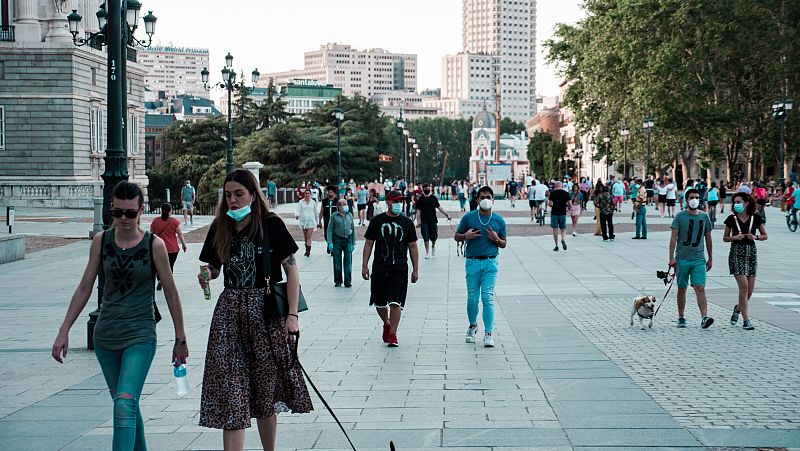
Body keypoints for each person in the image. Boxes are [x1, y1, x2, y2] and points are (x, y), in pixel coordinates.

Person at [52, 181, 189, 451]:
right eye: (118, 213)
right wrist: (64, 329)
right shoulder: (101, 242)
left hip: (140, 334)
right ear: (111, 210)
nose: (124, 219)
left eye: (130, 213)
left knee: (124, 402)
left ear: (140, 211)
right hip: (106, 337)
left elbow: (171, 293)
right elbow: (84, 286)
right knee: (125, 404)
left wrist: (180, 338)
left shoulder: (155, 245)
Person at [197, 169, 312, 450]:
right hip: (229, 312)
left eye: (239, 194)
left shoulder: (270, 224)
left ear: (252, 194)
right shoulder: (220, 226)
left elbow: (291, 269)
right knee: (231, 391)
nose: (233, 201)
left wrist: (292, 316)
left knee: (265, 390)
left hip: (265, 309)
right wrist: (207, 275)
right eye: (228, 195)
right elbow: (214, 267)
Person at [362, 190, 420, 347]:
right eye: (396, 201)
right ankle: (386, 323)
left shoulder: (407, 222)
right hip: (380, 267)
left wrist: (415, 269)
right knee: (380, 302)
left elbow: (413, 246)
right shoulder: (377, 221)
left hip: (399, 268)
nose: (398, 204)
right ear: (388, 202)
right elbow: (369, 243)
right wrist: (364, 265)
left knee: (396, 301)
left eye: (400, 201)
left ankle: (393, 333)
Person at [454, 186, 507, 348]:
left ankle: (488, 333)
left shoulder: (499, 220)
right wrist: (465, 236)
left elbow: (504, 243)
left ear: (493, 199)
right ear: (477, 200)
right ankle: (472, 325)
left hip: (491, 261)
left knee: (487, 297)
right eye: (482, 197)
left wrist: (496, 239)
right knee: (472, 298)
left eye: (488, 197)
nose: (485, 199)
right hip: (472, 262)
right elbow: (456, 236)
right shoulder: (469, 218)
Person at [668, 188, 714, 329]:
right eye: (691, 197)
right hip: (682, 258)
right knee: (682, 288)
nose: (694, 199)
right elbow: (673, 238)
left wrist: (710, 257)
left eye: (696, 197)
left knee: (700, 287)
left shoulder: (704, 216)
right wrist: (671, 258)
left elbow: (708, 238)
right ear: (686, 200)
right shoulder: (680, 216)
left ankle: (704, 317)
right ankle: (681, 316)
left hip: (698, 259)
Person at [723, 193, 767, 331]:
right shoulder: (731, 219)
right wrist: (735, 237)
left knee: (749, 290)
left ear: (746, 203)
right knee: (743, 287)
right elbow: (725, 238)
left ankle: (738, 308)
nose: (736, 204)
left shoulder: (756, 218)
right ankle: (746, 319)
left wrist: (755, 237)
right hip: (736, 253)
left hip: (751, 253)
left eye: (738, 202)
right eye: (734, 202)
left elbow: (765, 235)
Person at [150, 203, 187, 290]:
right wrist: (184, 244)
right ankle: (167, 282)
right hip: (172, 248)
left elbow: (151, 233)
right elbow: (180, 234)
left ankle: (160, 280)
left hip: (158, 248)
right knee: (170, 266)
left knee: (159, 265)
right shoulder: (174, 222)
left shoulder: (155, 221)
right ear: (170, 211)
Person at [415, 183, 452, 259]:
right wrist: (418, 221)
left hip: (433, 220)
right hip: (424, 221)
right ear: (423, 189)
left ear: (430, 189)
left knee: (434, 236)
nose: (427, 189)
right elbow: (418, 211)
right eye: (425, 188)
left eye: (428, 188)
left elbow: (439, 207)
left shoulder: (433, 198)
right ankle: (427, 252)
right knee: (425, 236)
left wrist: (446, 214)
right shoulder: (420, 199)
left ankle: (433, 246)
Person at [327, 199, 356, 287]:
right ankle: (338, 280)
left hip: (348, 240)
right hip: (337, 240)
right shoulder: (334, 216)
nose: (346, 206)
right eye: (344, 204)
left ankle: (348, 281)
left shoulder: (350, 215)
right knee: (337, 261)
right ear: (339, 206)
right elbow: (330, 229)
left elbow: (352, 228)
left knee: (348, 261)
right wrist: (330, 242)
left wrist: (353, 242)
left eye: (346, 204)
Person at [296, 189, 319, 257]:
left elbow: (316, 212)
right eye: (306, 193)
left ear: (310, 194)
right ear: (304, 194)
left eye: (308, 193)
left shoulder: (313, 202)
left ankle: (308, 251)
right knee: (305, 236)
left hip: (311, 221)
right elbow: (298, 210)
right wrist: (297, 215)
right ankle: (306, 249)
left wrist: (317, 222)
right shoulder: (301, 202)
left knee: (309, 236)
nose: (307, 194)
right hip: (303, 221)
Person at [548, 181, 571, 251]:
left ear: (555, 186)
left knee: (555, 229)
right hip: (562, 213)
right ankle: (563, 239)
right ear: (562, 186)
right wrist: (567, 206)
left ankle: (556, 245)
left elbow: (550, 204)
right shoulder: (566, 193)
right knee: (563, 229)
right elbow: (570, 203)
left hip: (554, 213)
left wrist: (553, 205)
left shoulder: (553, 193)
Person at [319, 186, 339, 255]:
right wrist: (319, 221)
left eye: (331, 192)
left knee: (334, 234)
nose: (329, 194)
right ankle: (329, 244)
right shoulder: (324, 201)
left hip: (335, 221)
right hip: (327, 220)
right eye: (329, 192)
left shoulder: (337, 201)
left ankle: (332, 248)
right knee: (326, 234)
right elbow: (321, 211)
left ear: (334, 193)